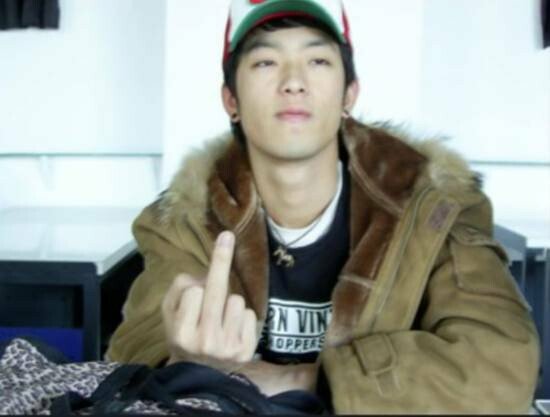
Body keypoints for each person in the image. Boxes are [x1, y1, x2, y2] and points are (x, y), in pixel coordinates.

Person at [106, 0, 540, 413]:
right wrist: (183, 362)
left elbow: (500, 367)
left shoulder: (433, 206)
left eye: (317, 61)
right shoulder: (187, 217)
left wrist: (301, 380)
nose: (293, 82)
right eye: (265, 62)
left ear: (349, 94)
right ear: (231, 101)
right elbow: (129, 357)